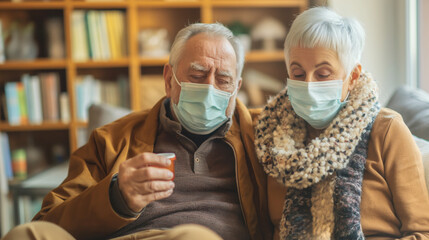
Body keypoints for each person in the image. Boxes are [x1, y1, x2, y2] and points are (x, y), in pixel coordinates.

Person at [4, 23, 273, 240]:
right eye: (198, 75)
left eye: (223, 79)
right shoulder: (112, 138)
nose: (210, 88)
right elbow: (50, 219)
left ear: (236, 87)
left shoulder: (264, 136)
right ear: (169, 79)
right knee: (26, 234)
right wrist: (115, 197)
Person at [254, 7, 429, 240]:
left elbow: (422, 232)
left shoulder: (387, 130)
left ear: (352, 76)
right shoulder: (270, 140)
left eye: (323, 74)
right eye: (297, 74)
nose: (308, 84)